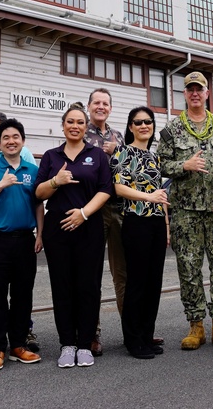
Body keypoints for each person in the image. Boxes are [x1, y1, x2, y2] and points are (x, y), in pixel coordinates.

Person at [158, 72, 213, 350]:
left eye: (199, 89)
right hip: (185, 211)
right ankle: (196, 325)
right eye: (189, 89)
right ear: (185, 94)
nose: (194, 93)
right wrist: (183, 166)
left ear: (206, 93)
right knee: (189, 269)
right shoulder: (171, 129)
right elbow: (161, 164)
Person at [35, 103, 113, 369]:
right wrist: (56, 181)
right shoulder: (51, 156)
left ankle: (85, 344)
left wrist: (83, 213)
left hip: (88, 225)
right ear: (63, 125)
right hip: (57, 227)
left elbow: (106, 189)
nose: (75, 126)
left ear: (85, 125)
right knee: (62, 286)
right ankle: (67, 344)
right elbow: (38, 194)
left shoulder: (97, 155)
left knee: (88, 286)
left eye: (80, 122)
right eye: (70, 121)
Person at [0, 118, 44, 370]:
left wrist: (40, 234)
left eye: (15, 137)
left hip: (25, 240)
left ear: (22, 141)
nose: (11, 141)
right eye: (6, 138)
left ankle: (17, 345)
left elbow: (38, 203)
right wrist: (1, 184)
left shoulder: (32, 170)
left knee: (23, 295)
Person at [111, 106, 169, 359]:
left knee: (154, 283)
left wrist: (165, 227)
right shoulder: (123, 152)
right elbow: (119, 188)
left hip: (156, 223)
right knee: (137, 282)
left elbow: (162, 196)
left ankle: (147, 335)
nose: (144, 125)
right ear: (131, 126)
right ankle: (133, 340)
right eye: (139, 122)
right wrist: (149, 196)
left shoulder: (154, 157)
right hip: (136, 221)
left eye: (148, 121)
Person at [83, 88, 126, 356]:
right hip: (94, 209)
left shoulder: (118, 136)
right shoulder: (81, 132)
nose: (101, 107)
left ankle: (132, 329)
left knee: (122, 273)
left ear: (110, 108)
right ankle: (92, 333)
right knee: (91, 274)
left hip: (118, 208)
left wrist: (117, 151)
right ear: (89, 106)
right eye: (96, 102)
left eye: (105, 103)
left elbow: (127, 168)